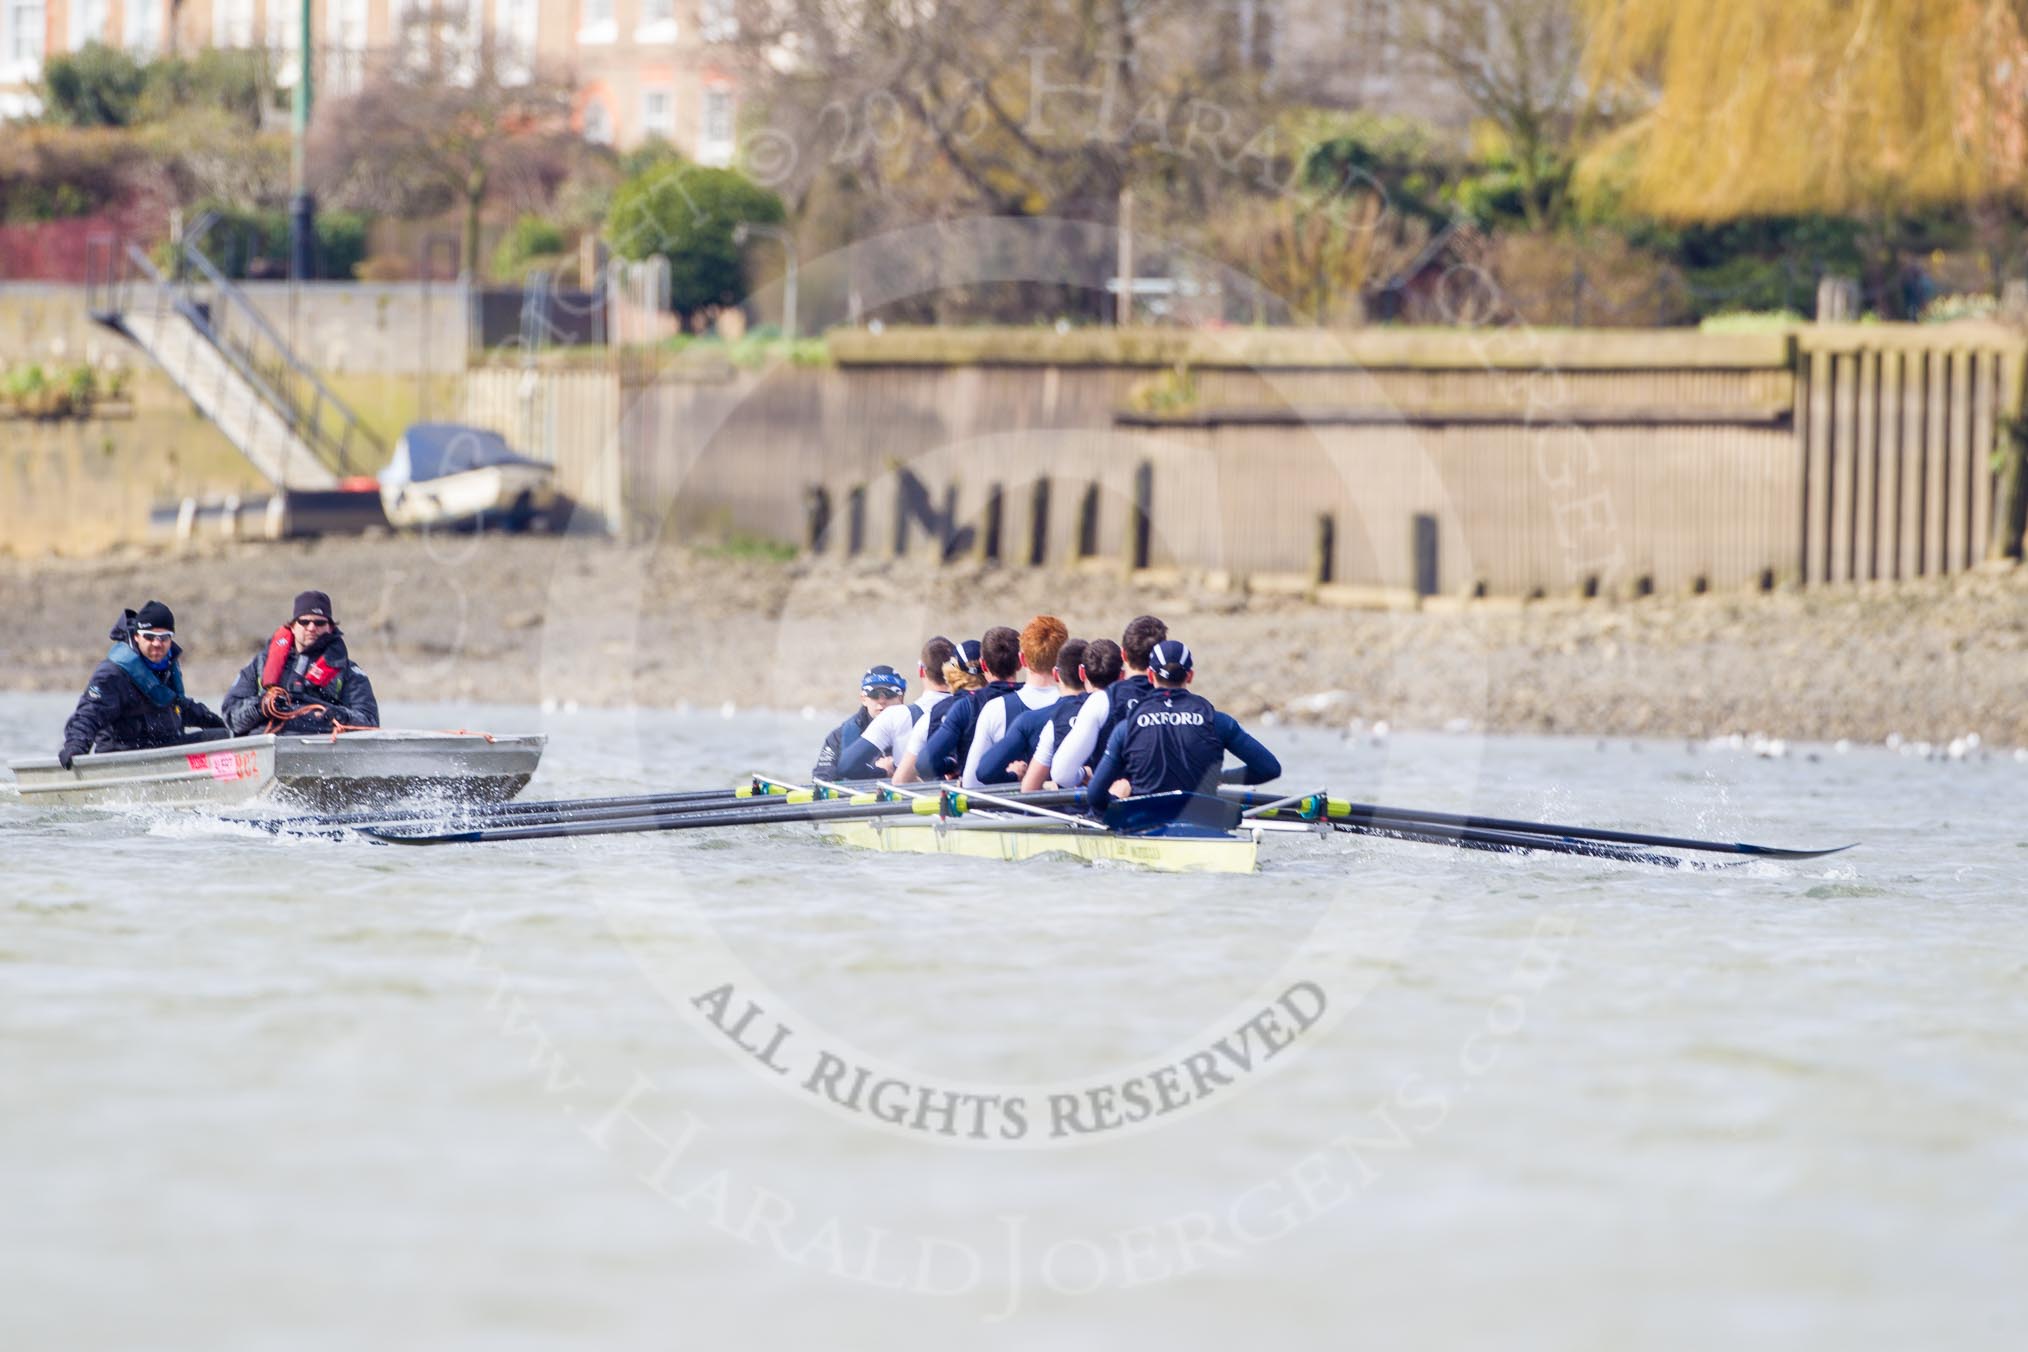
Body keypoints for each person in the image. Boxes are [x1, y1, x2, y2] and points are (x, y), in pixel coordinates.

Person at [1084, 640, 1281, 816]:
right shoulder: (1218, 721)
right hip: (1204, 822)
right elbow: (1269, 769)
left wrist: (1115, 805)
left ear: (1151, 676)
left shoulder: (1126, 728)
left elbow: (1094, 796)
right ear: (1190, 676)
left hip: (1143, 821)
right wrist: (1221, 776)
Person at [58, 601, 227, 767]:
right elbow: (89, 714)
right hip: (126, 757)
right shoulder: (112, 674)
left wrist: (224, 725)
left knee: (224, 737)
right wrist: (75, 746)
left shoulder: (167, 666)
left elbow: (179, 705)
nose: (157, 644)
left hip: (165, 748)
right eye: (150, 637)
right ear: (137, 636)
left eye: (164, 638)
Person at [1028, 614, 1167, 789]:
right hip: (1172, 809)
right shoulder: (1180, 702)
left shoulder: (1102, 701)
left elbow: (1062, 774)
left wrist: (1084, 775)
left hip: (1115, 811)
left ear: (1123, 654)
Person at [222, 590, 380, 737]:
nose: (311, 628)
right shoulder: (260, 664)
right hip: (266, 741)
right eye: (304, 622)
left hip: (321, 743)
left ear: (330, 627)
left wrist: (340, 715)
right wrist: (261, 706)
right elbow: (231, 717)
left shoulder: (349, 671)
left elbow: (370, 722)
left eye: (319, 623)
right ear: (292, 626)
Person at [954, 614, 1065, 787]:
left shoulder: (995, 709)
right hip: (1064, 811)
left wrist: (1012, 777)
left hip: (1011, 812)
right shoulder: (1080, 707)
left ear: (1022, 660)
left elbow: (971, 783)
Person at [835, 636, 958, 781]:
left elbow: (847, 766)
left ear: (921, 671)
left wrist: (883, 772)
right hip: (972, 798)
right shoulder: (979, 706)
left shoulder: (896, 716)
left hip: (915, 799)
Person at [975, 637, 1091, 786]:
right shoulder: (1112, 714)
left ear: (1056, 674)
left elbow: (985, 772)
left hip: (1050, 808)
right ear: (1086, 673)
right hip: (1106, 805)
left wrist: (1013, 776)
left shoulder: (1031, 721)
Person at [1017, 637, 1122, 791]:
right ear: (1122, 676)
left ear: (1082, 673)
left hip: (1073, 811)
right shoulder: (1135, 709)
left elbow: (1029, 789)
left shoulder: (1059, 715)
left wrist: (1081, 775)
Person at [893, 638, 984, 783]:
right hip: (1012, 796)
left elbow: (901, 779)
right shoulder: (1004, 701)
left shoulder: (935, 714)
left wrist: (949, 765)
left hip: (960, 799)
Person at [811, 665, 908, 782]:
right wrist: (880, 772)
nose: (882, 701)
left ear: (901, 698)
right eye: (874, 694)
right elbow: (822, 780)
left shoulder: (919, 728)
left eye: (889, 693)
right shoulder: (838, 737)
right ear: (863, 699)